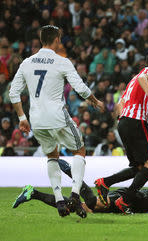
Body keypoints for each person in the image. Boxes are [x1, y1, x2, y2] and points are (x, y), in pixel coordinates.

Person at [9, 25, 104, 218]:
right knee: (80, 150)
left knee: (52, 156)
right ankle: (76, 195)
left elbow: (13, 92)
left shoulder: (27, 62)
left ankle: (60, 200)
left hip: (36, 120)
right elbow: (81, 87)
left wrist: (22, 118)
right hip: (57, 117)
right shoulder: (62, 62)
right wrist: (95, 101)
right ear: (57, 40)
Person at [94, 50, 148, 214]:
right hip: (135, 121)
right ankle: (125, 200)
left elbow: (119, 103)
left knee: (139, 167)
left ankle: (105, 182)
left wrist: (143, 108)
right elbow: (144, 78)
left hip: (124, 123)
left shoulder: (132, 81)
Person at [12, 160, 148, 214]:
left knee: (77, 207)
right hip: (125, 197)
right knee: (91, 204)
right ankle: (70, 170)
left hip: (127, 201)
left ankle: (33, 193)